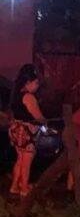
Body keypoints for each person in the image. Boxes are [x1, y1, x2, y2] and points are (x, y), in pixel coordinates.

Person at [8, 64, 46, 196]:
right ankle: (24, 188)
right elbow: (38, 117)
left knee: (20, 159)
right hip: (27, 131)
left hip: (16, 129)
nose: (37, 86)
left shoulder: (16, 95)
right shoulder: (29, 97)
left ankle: (14, 186)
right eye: (36, 83)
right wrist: (45, 122)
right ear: (28, 82)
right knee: (27, 160)